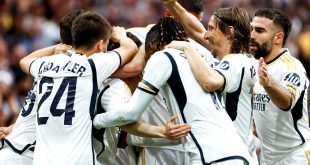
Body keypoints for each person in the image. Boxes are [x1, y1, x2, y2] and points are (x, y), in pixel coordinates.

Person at [93, 16, 251, 165]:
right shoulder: (200, 59)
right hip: (237, 150)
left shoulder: (162, 57)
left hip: (209, 155)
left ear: (151, 47)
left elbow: (130, 113)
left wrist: (98, 121)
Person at [18, 11, 138, 165]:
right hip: (78, 160)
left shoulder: (44, 65)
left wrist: (59, 46)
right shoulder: (93, 65)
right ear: (100, 44)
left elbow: (24, 61)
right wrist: (120, 35)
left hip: (43, 160)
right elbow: (131, 48)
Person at [161, 0, 258, 163]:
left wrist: (188, 47)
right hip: (230, 154)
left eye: (211, 29)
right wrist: (172, 4)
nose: (206, 35)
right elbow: (197, 31)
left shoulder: (237, 62)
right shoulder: (231, 59)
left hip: (230, 156)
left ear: (230, 32)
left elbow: (210, 82)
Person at [250, 8, 310, 165]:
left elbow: (287, 102)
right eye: (252, 29)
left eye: (259, 30)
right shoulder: (253, 65)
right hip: (267, 157)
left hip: (295, 156)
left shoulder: (292, 66)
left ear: (278, 37)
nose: (252, 35)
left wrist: (268, 83)